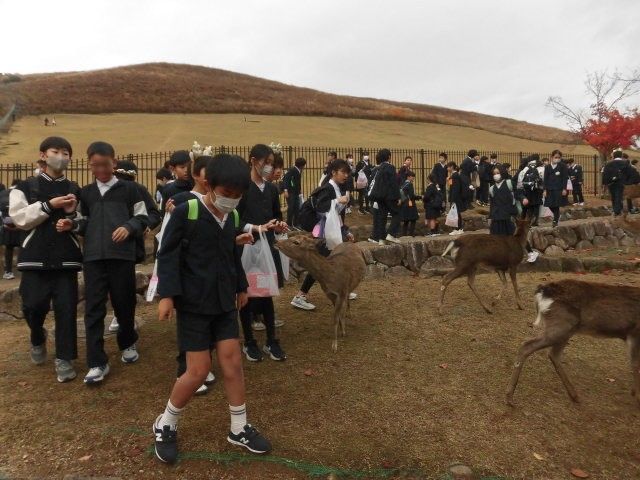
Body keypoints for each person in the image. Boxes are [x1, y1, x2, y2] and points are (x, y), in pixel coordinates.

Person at [154, 153, 272, 464]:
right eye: (226, 193)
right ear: (208, 184)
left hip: (223, 302)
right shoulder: (187, 211)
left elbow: (230, 254)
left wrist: (241, 286)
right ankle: (166, 423)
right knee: (197, 370)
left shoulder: (231, 217)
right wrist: (167, 295)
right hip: (194, 303)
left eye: (237, 195)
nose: (231, 200)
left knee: (232, 362)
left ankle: (239, 427)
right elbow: (167, 254)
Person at [67, 141, 149, 385]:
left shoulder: (130, 189)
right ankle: (96, 361)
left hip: (121, 257)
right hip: (93, 258)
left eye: (105, 164)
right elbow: (83, 222)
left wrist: (129, 227)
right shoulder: (86, 193)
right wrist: (73, 224)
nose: (100, 169)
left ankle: (127, 341)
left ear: (114, 162)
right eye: (95, 165)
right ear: (89, 165)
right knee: (93, 309)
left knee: (124, 303)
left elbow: (145, 216)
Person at [10, 136, 82, 383]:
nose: (61, 157)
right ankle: (37, 336)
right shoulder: (25, 187)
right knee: (32, 306)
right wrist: (49, 205)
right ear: (43, 155)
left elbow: (84, 220)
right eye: (55, 151)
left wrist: (72, 218)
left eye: (66, 153)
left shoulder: (74, 188)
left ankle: (64, 358)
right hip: (34, 258)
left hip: (66, 259)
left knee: (66, 310)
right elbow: (20, 218)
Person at [237, 144, 288, 362]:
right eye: (265, 162)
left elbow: (275, 216)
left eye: (271, 163)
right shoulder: (241, 188)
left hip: (266, 248)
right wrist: (255, 228)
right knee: (246, 295)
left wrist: (278, 225)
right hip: (246, 248)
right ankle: (249, 341)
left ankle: (271, 340)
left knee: (266, 294)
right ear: (253, 161)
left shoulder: (271, 190)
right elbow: (235, 220)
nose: (269, 167)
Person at [291, 159, 356, 311]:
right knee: (322, 263)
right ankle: (300, 296)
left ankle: (339, 290)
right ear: (333, 172)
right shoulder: (328, 189)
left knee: (331, 260)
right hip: (322, 232)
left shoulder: (336, 188)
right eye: (343, 172)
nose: (346, 175)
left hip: (327, 231)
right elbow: (322, 208)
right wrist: (337, 200)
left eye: (347, 172)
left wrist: (345, 231)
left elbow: (336, 215)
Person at [106, 160, 162, 333]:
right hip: (107, 244)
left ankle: (122, 316)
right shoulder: (104, 189)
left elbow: (153, 213)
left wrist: (145, 226)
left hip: (130, 244)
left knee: (123, 282)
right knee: (113, 282)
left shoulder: (137, 189)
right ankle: (119, 314)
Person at [367, 148, 401, 245]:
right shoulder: (390, 167)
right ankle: (391, 234)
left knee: (382, 217)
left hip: (379, 196)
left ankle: (381, 239)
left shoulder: (377, 168)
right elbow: (393, 183)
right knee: (397, 213)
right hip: (389, 196)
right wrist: (398, 197)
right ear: (389, 157)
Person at [0, 179, 23, 279]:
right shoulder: (20, 193)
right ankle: (22, 268)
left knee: (9, 248)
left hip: (6, 224)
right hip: (19, 224)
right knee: (22, 247)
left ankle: (8, 271)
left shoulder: (2, 193)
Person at [489, 166, 518, 236]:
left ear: (502, 173)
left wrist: (523, 198)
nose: (496, 175)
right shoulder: (492, 188)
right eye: (494, 174)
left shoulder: (509, 183)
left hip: (508, 216)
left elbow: (518, 194)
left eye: (497, 173)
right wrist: (490, 216)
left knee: (509, 237)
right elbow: (492, 204)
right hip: (496, 217)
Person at [543, 149, 569, 226]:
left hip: (558, 189)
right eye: (556, 157)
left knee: (556, 205)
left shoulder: (563, 166)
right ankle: (557, 215)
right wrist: (544, 190)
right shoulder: (547, 167)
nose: (557, 159)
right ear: (552, 157)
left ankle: (555, 221)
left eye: (559, 157)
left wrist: (564, 189)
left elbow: (564, 178)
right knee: (549, 204)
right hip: (549, 189)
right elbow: (545, 179)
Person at [282, 157, 306, 227]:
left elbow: (297, 182)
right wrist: (285, 190)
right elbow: (286, 179)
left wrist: (299, 191)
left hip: (295, 193)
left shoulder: (298, 171)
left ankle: (296, 224)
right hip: (291, 192)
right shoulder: (292, 170)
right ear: (302, 165)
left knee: (296, 208)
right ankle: (289, 224)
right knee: (291, 208)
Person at [602, 149, 626, 216]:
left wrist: (605, 183)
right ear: (621, 156)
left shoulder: (608, 164)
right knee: (619, 195)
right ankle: (617, 211)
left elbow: (605, 174)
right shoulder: (625, 163)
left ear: (614, 156)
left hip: (611, 183)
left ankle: (616, 209)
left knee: (613, 196)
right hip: (621, 182)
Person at [447, 161, 466, 234]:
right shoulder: (453, 175)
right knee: (457, 213)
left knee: (456, 213)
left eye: (448, 167)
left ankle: (458, 229)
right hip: (455, 197)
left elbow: (455, 189)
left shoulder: (455, 176)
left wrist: (453, 199)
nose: (447, 168)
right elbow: (451, 186)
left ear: (452, 167)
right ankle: (458, 228)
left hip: (456, 198)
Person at [399, 171, 419, 236]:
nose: (413, 178)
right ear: (408, 177)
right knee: (413, 219)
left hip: (404, 203)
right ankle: (411, 233)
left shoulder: (403, 184)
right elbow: (411, 196)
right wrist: (419, 197)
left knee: (406, 220)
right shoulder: (410, 184)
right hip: (410, 204)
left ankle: (404, 234)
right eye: (412, 177)